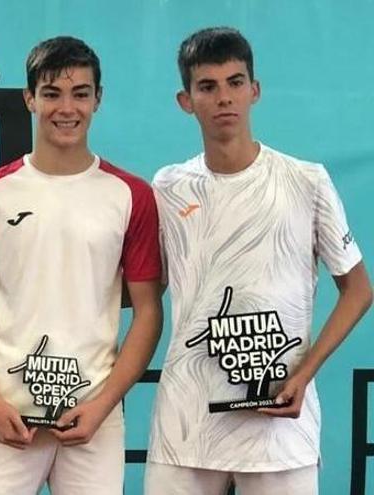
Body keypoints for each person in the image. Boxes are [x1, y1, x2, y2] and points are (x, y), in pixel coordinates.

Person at [145, 27, 373, 494]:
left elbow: (358, 288)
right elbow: (146, 290)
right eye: (207, 86)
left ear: (255, 90)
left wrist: (303, 374)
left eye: (234, 82)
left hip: (280, 428)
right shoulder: (167, 188)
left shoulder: (306, 181)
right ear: (185, 101)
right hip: (185, 426)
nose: (223, 97)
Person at [0, 36, 163, 494]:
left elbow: (148, 310)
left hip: (94, 417)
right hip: (3, 415)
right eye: (51, 93)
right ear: (29, 98)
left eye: (80, 93)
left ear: (97, 100)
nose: (66, 108)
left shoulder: (131, 195)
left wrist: (105, 404)